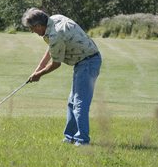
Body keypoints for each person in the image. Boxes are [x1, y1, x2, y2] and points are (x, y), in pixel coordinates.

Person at [21, 8, 102, 146]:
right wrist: (38, 69)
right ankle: (69, 137)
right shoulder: (54, 19)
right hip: (82, 62)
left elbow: (56, 63)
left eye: (32, 29)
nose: (32, 32)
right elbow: (51, 50)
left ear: (38, 26)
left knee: (80, 103)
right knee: (72, 102)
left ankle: (82, 141)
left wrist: (39, 75)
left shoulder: (55, 35)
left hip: (88, 62)